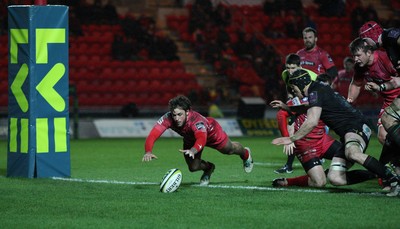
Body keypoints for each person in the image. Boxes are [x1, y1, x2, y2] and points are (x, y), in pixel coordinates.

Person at [271, 69, 400, 196]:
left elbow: (312, 121)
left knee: (352, 153)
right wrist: (288, 108)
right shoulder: (317, 90)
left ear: (300, 84)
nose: (293, 91)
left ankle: (393, 180)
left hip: (356, 127)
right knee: (335, 178)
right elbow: (308, 108)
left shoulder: (315, 92)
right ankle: (378, 172)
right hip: (350, 131)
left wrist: (291, 138)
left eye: (294, 88)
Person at [142, 95, 253, 186]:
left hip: (212, 133)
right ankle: (209, 168)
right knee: (193, 167)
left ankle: (246, 154)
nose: (176, 118)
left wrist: (193, 150)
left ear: (187, 112)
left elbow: (201, 138)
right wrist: (148, 151)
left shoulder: (196, 121)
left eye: (179, 115)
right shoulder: (167, 118)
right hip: (190, 139)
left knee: (229, 150)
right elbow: (153, 135)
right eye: (174, 115)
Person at [272, 95, 376, 188]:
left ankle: (377, 173)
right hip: (306, 145)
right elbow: (281, 114)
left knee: (350, 154)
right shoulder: (300, 100)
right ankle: (288, 181)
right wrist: (287, 138)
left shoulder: (328, 98)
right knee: (319, 183)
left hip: (323, 140)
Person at [358, 21, 400, 182]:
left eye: (364, 41)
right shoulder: (387, 49)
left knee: (388, 120)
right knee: (387, 130)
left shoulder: (390, 36)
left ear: (371, 36)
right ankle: (392, 172)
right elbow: (396, 81)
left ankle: (386, 170)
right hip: (395, 94)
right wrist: (381, 87)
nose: (365, 45)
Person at [347, 37, 400, 146]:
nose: (355, 59)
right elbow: (356, 84)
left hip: (399, 97)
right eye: (354, 56)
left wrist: (380, 87)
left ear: (369, 52)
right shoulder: (360, 67)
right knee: (382, 135)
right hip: (389, 101)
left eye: (358, 55)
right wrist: (349, 102)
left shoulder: (385, 58)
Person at [274, 53, 318, 174]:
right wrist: (290, 99)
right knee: (283, 116)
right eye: (288, 67)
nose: (290, 70)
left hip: (314, 105)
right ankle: (287, 143)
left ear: (300, 66)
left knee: (298, 129)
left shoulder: (311, 76)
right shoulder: (285, 75)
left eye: (293, 68)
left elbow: (317, 94)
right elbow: (289, 89)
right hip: (300, 104)